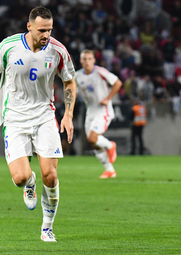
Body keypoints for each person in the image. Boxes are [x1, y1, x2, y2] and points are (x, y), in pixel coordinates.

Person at [0, 6, 77, 242]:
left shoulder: (58, 51)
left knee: (51, 176)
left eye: (50, 30)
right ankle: (29, 182)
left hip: (45, 115)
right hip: (14, 117)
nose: (46, 35)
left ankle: (47, 228)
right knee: (20, 177)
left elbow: (70, 83)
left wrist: (68, 115)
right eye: (42, 30)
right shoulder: (7, 47)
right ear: (29, 26)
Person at [75, 49, 122, 178]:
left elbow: (117, 82)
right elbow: (72, 90)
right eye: (84, 59)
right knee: (94, 142)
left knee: (92, 137)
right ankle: (110, 170)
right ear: (80, 61)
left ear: (94, 60)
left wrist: (108, 98)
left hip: (103, 110)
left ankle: (110, 145)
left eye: (89, 59)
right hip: (90, 111)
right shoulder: (77, 76)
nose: (87, 62)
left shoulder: (100, 72)